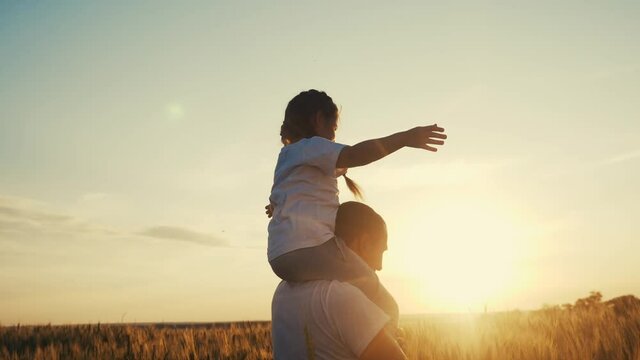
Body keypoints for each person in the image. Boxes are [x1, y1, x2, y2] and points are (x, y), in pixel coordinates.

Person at [267, 89, 446, 327]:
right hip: (311, 247)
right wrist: (404, 138)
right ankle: (388, 341)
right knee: (379, 296)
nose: (333, 137)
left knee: (342, 292)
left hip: (280, 257)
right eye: (334, 129)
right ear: (318, 119)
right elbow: (356, 154)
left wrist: (276, 208)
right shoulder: (311, 147)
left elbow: (284, 198)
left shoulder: (287, 157)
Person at [272, 202, 407, 360]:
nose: (380, 265)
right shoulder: (343, 298)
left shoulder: (282, 292)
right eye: (381, 251)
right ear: (364, 243)